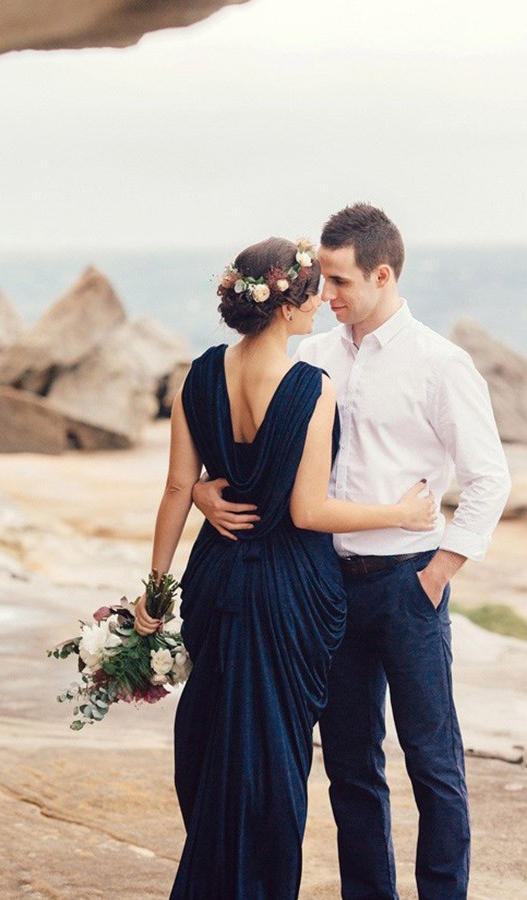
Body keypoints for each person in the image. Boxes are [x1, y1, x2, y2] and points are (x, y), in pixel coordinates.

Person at [193, 206, 512, 900]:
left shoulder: (440, 362)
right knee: (348, 763)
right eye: (321, 282)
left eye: (337, 281)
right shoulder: (312, 357)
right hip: (324, 587)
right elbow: (256, 450)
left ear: (382, 273)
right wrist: (199, 489)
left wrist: (440, 571)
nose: (323, 295)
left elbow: (490, 476)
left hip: (409, 584)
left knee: (433, 762)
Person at [133, 235, 436, 900]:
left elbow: (179, 490)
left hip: (214, 579)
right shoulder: (310, 387)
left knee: (212, 744)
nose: (319, 307)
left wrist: (154, 595)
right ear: (285, 308)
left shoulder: (201, 373)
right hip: (286, 595)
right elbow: (307, 511)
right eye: (309, 296)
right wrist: (400, 513)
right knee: (270, 767)